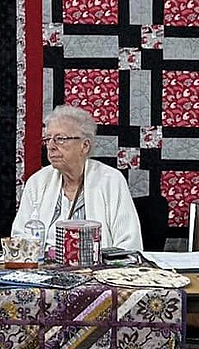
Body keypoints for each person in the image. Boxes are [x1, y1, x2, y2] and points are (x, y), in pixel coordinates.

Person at [11, 104, 143, 251]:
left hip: (97, 269)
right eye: (48, 139)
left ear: (85, 145)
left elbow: (129, 244)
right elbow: (19, 239)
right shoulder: (37, 182)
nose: (51, 146)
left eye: (60, 139)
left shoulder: (111, 180)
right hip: (44, 269)